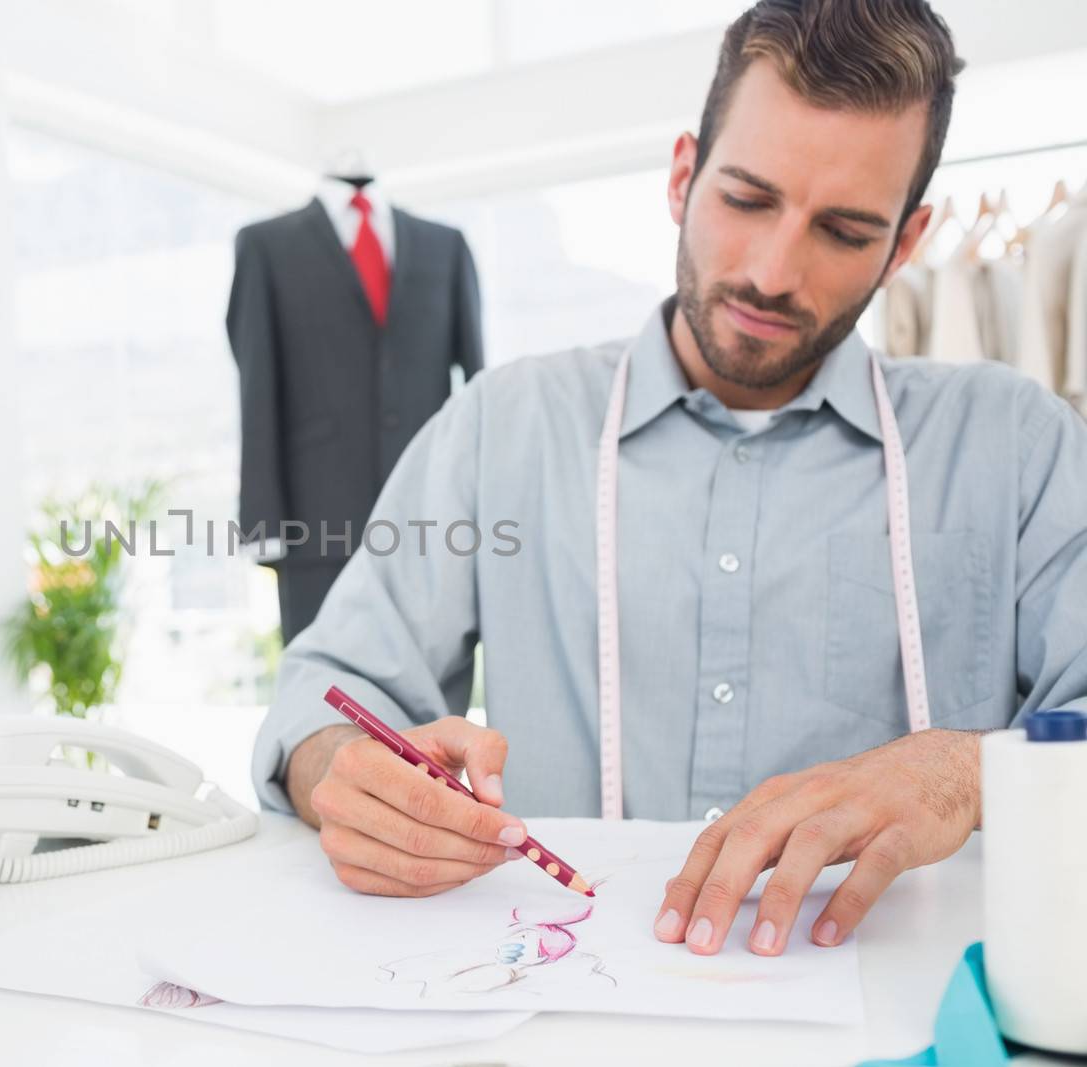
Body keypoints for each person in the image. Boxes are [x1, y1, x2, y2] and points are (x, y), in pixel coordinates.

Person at [249, 0, 1087, 960]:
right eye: (746, 199)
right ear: (684, 174)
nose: (774, 273)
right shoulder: (499, 429)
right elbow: (326, 687)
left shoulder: (1016, 447)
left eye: (845, 231)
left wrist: (964, 772)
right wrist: (339, 773)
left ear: (904, 243)